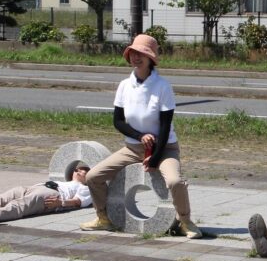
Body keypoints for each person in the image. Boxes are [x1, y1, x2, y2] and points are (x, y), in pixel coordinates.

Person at [80, 33, 202, 238]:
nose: (136, 57)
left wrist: (155, 157)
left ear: (150, 58)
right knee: (93, 176)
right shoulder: (124, 85)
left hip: (164, 148)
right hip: (133, 148)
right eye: (133, 53)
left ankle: (185, 221)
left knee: (175, 181)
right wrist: (139, 136)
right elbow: (118, 121)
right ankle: (103, 218)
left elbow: (165, 126)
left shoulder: (162, 86)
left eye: (141, 54)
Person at [0, 162, 92, 225]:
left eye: (84, 171)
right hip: (37, 186)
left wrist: (60, 203)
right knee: (2, 197)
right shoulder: (65, 181)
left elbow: (77, 202)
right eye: (77, 169)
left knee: (20, 205)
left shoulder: (85, 187)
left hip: (53, 195)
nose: (79, 171)